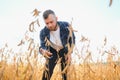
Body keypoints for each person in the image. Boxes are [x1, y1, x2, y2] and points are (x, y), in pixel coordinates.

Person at [39, 9, 75, 80]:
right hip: (52, 51)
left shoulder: (66, 26)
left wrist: (69, 53)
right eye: (47, 23)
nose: (49, 25)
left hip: (64, 50)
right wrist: (43, 51)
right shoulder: (43, 32)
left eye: (51, 22)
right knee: (47, 73)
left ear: (56, 19)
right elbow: (43, 46)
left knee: (65, 75)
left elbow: (72, 40)